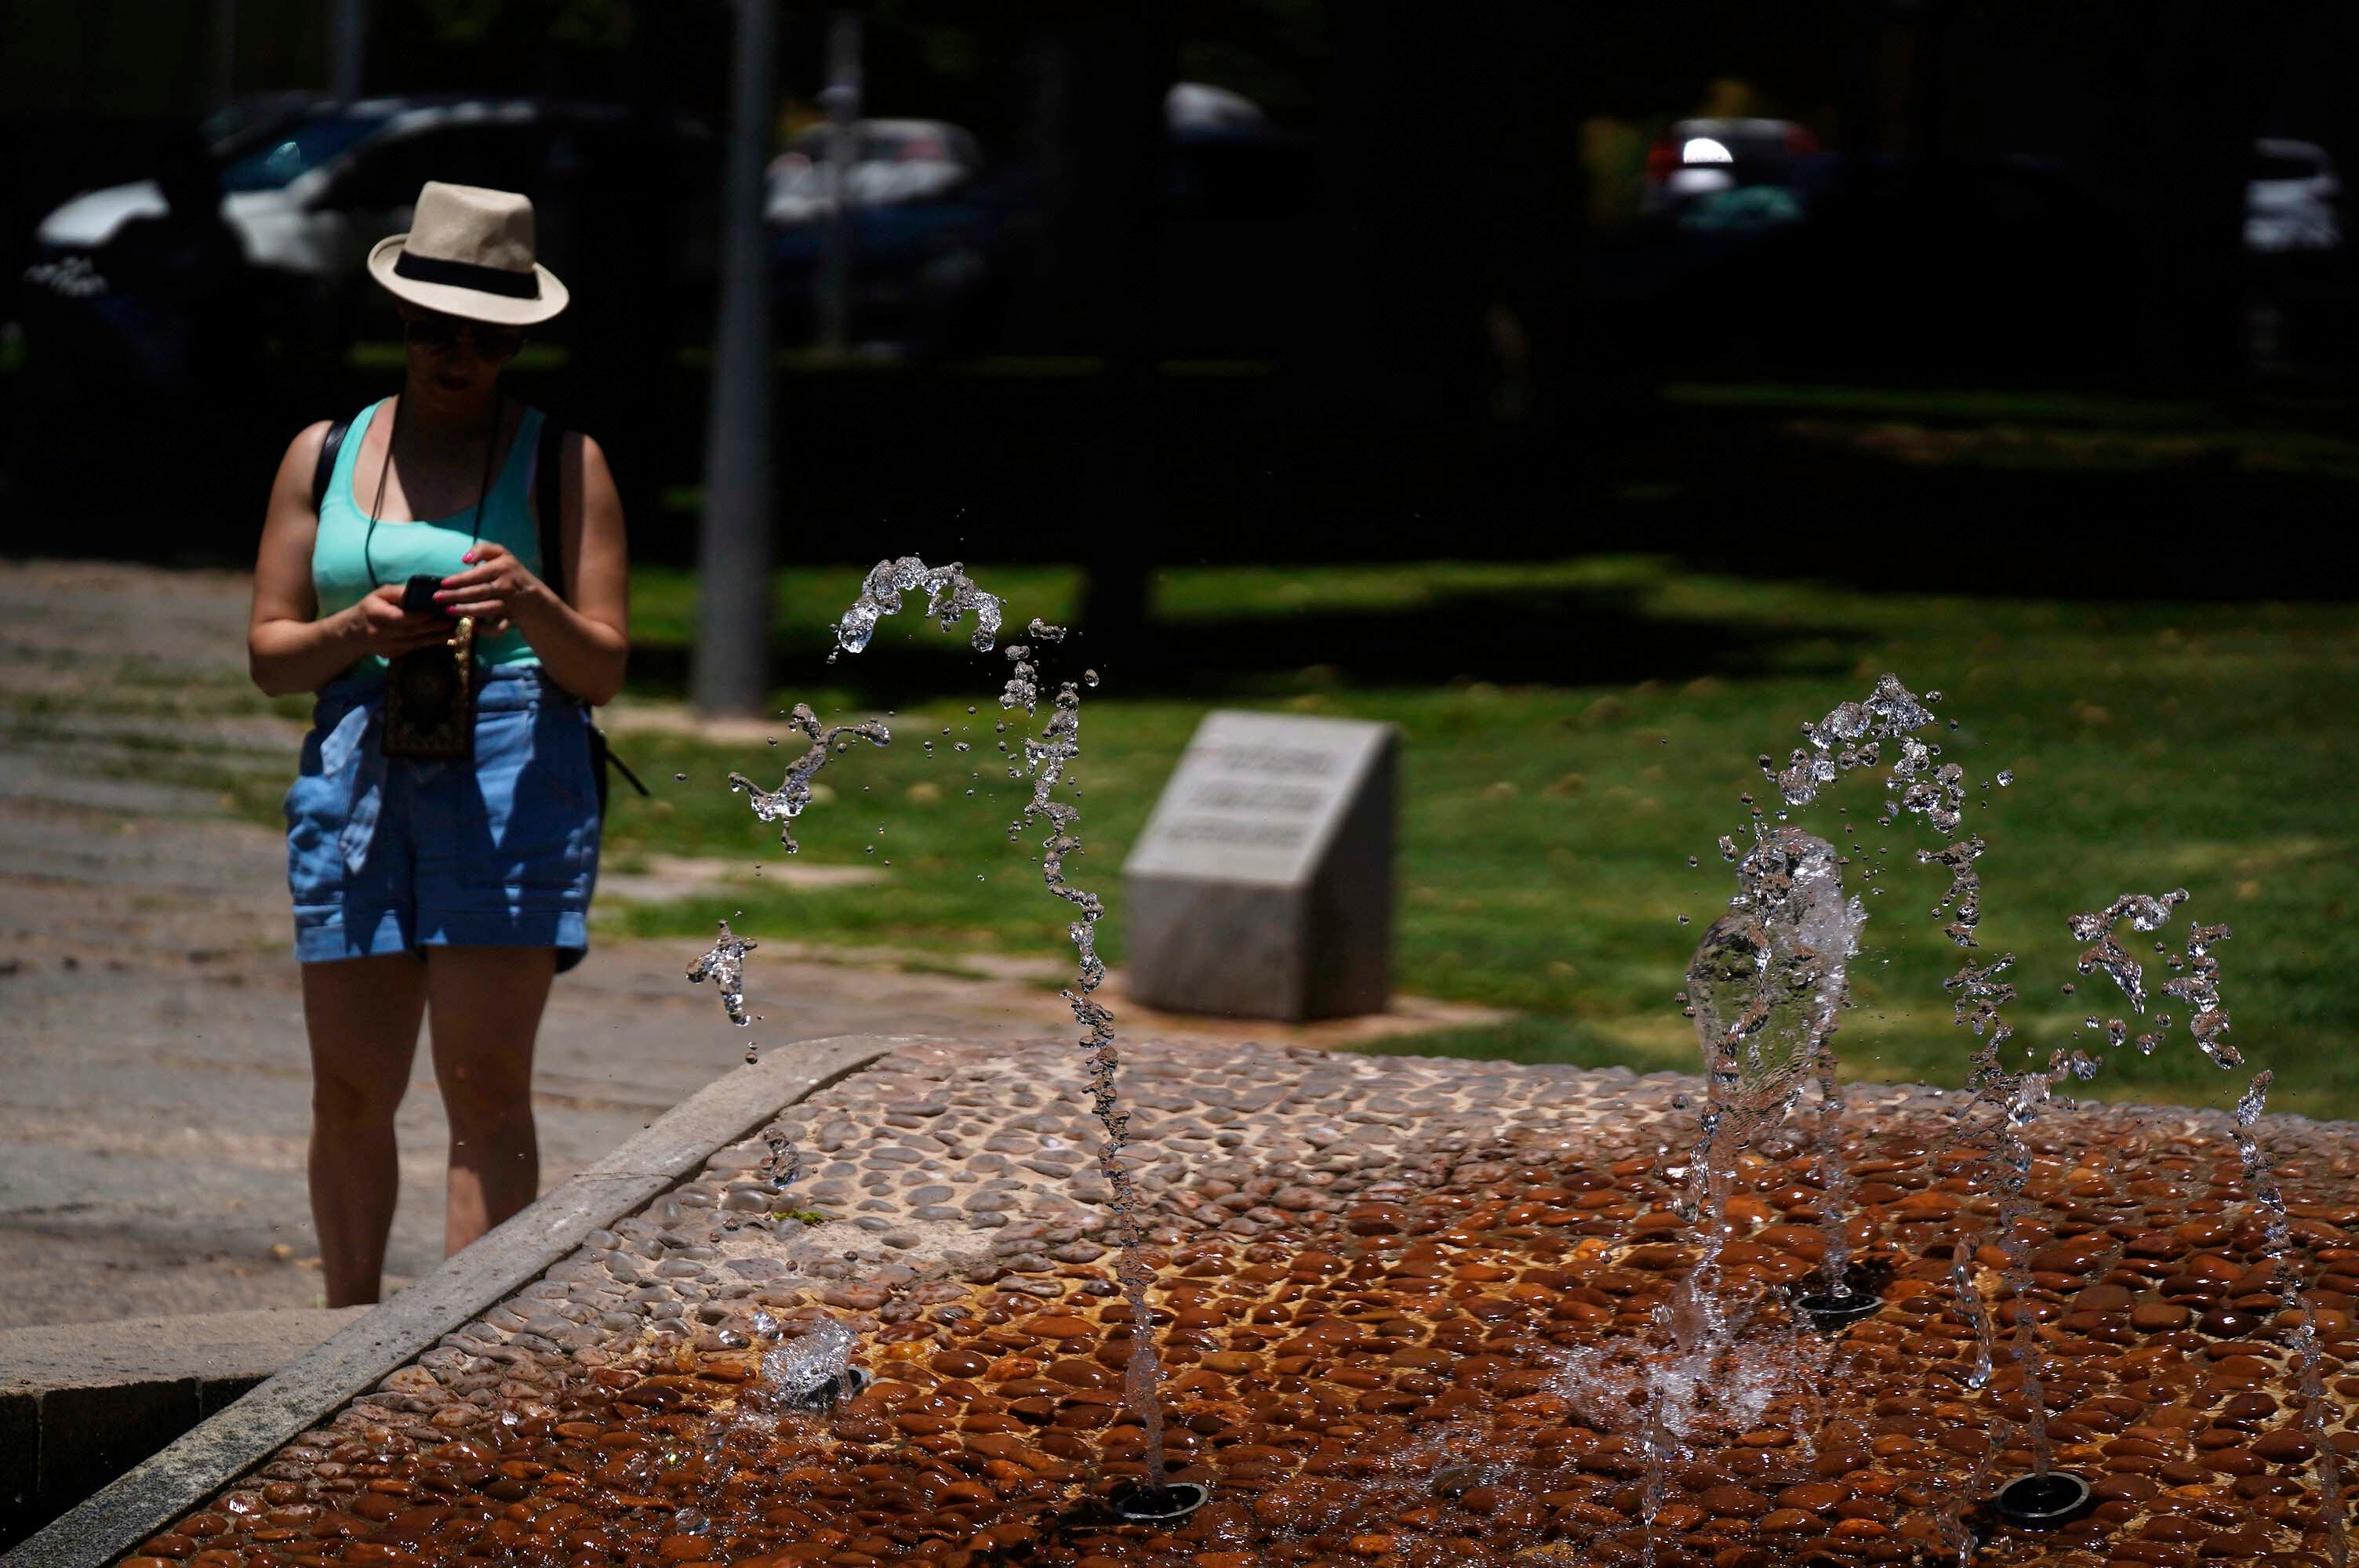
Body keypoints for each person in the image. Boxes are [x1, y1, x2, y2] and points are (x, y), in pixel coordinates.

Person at [246, 182, 629, 1307]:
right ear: (400, 324)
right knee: (350, 1092)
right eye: (429, 329)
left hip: (514, 761)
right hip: (358, 760)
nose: (453, 355)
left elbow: (601, 664)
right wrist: (355, 626)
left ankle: (457, 1373)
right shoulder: (323, 452)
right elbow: (271, 657)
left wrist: (528, 599)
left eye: (482, 336)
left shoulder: (566, 462)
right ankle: (341, 1342)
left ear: (517, 336)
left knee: (485, 1089)